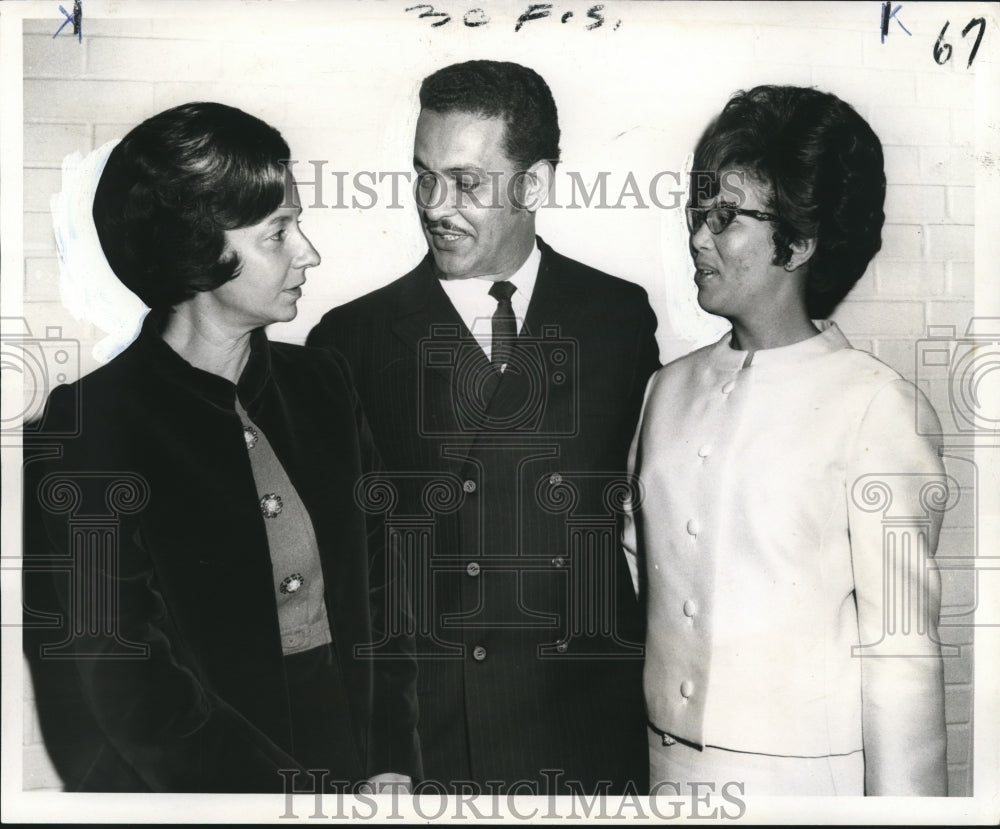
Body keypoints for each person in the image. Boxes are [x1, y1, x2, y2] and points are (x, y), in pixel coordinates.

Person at [22, 102, 420, 793]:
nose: (310, 253)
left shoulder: (323, 384)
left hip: (357, 773)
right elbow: (128, 678)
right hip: (200, 786)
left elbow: (385, 594)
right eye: (278, 233)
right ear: (201, 250)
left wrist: (391, 760)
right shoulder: (86, 426)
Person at [307, 60, 659, 794]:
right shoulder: (350, 339)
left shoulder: (618, 319)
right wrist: (377, 750)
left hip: (587, 739)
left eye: (466, 182)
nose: (436, 205)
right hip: (427, 749)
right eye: (423, 176)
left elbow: (650, 527)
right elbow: (340, 578)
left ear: (534, 185)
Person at [626, 85, 948, 796]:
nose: (698, 237)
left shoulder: (875, 407)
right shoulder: (665, 391)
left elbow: (903, 654)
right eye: (697, 212)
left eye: (725, 218)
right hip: (662, 774)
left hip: (805, 788)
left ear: (799, 242)